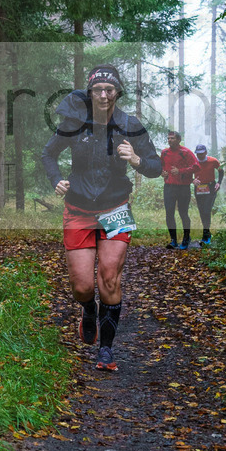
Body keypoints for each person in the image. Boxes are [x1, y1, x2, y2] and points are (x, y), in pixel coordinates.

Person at [42, 64, 162, 372]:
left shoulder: (130, 125)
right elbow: (48, 153)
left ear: (117, 92)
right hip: (79, 207)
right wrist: (56, 179)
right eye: (98, 90)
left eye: (110, 90)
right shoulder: (75, 122)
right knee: (82, 286)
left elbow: (155, 165)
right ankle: (88, 312)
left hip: (115, 207)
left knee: (109, 276)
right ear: (90, 92)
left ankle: (106, 350)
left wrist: (135, 159)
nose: (104, 95)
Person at [161, 131, 199, 249]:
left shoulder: (186, 152)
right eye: (168, 138)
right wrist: (162, 172)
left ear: (178, 140)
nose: (169, 140)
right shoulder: (164, 152)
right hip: (169, 186)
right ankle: (173, 240)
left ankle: (186, 238)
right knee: (169, 213)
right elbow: (161, 166)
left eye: (172, 138)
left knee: (183, 213)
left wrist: (180, 171)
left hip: (183, 187)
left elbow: (196, 166)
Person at [191, 144, 223, 246]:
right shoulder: (194, 162)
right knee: (201, 211)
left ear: (205, 152)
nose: (199, 155)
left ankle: (205, 235)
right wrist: (193, 180)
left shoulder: (213, 161)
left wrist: (219, 182)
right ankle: (207, 234)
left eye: (201, 153)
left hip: (211, 187)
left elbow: (221, 171)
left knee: (207, 210)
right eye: (198, 154)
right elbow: (187, 172)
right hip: (199, 188)